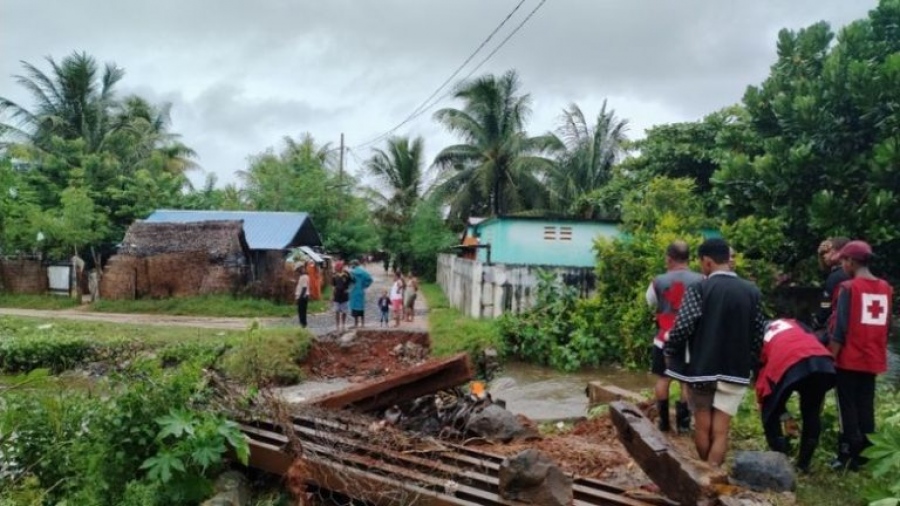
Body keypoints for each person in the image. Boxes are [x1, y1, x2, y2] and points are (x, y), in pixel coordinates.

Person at [664, 238, 767, 467]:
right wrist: (750, 361)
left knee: (702, 427)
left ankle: (704, 478)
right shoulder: (751, 291)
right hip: (735, 370)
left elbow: (683, 327)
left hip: (702, 370)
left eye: (701, 263)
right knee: (721, 433)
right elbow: (759, 332)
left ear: (708, 262)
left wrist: (671, 351)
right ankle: (713, 476)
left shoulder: (700, 288)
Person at [828, 240, 893, 471]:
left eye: (844, 260)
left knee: (847, 407)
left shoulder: (848, 288)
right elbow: (886, 326)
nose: (843, 265)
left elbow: (840, 329)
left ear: (852, 262)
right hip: (873, 358)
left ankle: (846, 455)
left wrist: (830, 358)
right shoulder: (886, 288)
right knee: (866, 406)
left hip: (848, 359)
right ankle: (866, 454)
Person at [755, 317, 836, 472]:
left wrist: (764, 402)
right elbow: (817, 337)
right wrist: (786, 417)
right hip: (822, 361)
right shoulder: (794, 322)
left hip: (789, 360)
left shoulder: (759, 334)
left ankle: (779, 462)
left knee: (769, 411)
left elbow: (764, 384)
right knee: (811, 412)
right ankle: (803, 465)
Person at [645, 240, 704, 433]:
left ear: (669, 259)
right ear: (689, 258)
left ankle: (663, 423)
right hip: (690, 341)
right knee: (686, 381)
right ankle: (684, 424)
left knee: (663, 379)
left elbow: (650, 302)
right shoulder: (702, 280)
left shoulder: (658, 281)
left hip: (664, 338)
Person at [813, 237, 851, 332]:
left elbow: (826, 305)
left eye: (827, 252)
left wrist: (817, 321)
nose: (824, 256)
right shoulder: (854, 273)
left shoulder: (836, 276)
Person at [349, 260, 373, 328]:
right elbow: (370, 279)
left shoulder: (352, 272)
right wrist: (365, 285)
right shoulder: (363, 272)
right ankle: (362, 324)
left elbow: (350, 281)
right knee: (361, 308)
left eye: (352, 265)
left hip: (354, 291)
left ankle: (356, 324)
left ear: (354, 265)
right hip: (361, 291)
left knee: (354, 308)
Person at [332, 261, 354, 332]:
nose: (338, 269)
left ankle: (343, 325)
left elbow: (352, 282)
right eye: (337, 268)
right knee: (337, 311)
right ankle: (337, 326)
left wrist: (349, 290)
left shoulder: (346, 274)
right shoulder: (334, 275)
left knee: (344, 311)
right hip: (337, 295)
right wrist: (332, 295)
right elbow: (333, 285)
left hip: (344, 295)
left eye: (339, 268)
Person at [294, 261, 311, 328]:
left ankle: (303, 325)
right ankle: (303, 325)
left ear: (301, 268)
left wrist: (300, 298)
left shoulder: (304, 277)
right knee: (301, 312)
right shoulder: (302, 276)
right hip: (303, 296)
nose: (297, 272)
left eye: (298, 270)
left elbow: (304, 288)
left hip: (303, 297)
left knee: (302, 313)